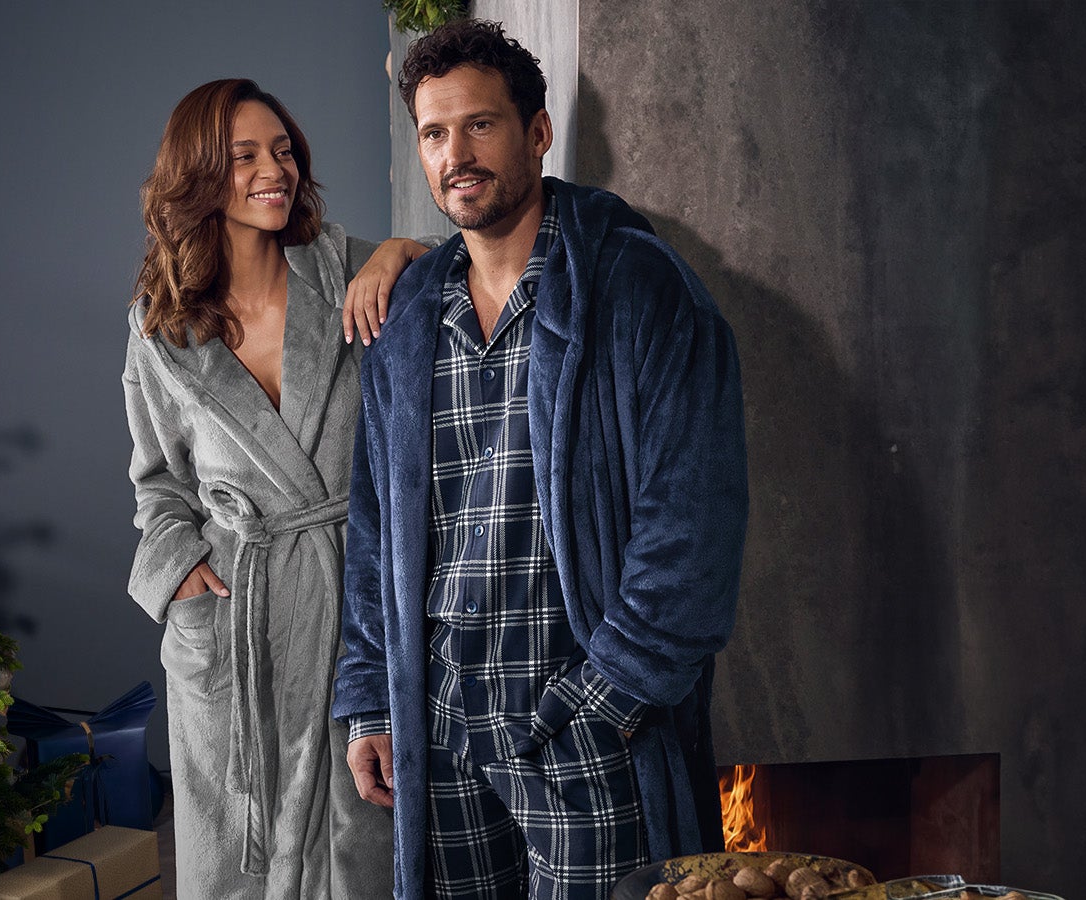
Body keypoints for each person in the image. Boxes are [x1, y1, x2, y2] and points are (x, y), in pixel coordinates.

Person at [330, 19, 749, 900]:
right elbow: (373, 535)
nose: (457, 154)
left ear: (539, 132)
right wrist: (372, 698)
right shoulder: (407, 319)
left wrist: (601, 709)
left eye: (480, 124)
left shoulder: (640, 290)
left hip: (583, 733)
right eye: (435, 134)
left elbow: (694, 525)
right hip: (441, 734)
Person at [121, 78, 429, 899]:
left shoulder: (348, 271)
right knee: (233, 861)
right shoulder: (162, 325)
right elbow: (158, 484)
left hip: (348, 600)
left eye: (284, 150)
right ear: (196, 176)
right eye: (245, 155)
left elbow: (470, 267)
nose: (275, 169)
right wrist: (179, 571)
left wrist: (399, 251)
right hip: (234, 617)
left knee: (358, 842)